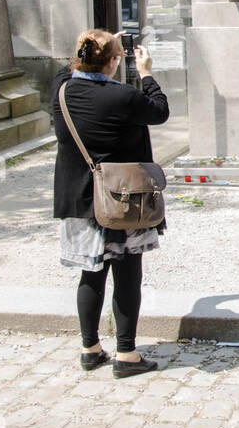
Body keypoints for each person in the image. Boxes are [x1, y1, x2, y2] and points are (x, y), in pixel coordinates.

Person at [52, 29, 169, 379]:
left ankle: (90, 349)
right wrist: (146, 72)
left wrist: (103, 42)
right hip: (122, 199)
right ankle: (126, 353)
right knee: (127, 274)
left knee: (91, 274)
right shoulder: (124, 96)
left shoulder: (61, 89)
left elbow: (65, 69)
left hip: (81, 199)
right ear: (115, 61)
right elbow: (160, 111)